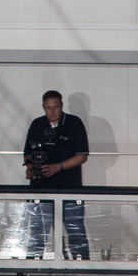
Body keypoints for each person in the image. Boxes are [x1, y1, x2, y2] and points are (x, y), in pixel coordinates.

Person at [22, 89, 89, 260]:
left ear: (62, 106)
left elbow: (82, 156)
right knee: (37, 232)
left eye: (56, 108)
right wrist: (31, 168)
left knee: (76, 232)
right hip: (41, 189)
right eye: (48, 108)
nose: (52, 112)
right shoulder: (37, 125)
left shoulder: (74, 124)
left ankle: (83, 268)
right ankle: (33, 268)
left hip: (69, 188)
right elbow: (28, 155)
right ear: (43, 107)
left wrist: (58, 167)